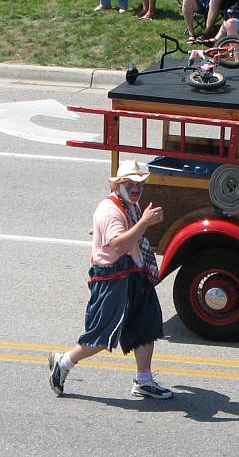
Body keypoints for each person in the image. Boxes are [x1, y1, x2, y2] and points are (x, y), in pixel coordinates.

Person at [48, 160, 172, 399]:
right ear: (118, 185)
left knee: (147, 325)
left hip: (134, 272)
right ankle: (63, 363)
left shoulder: (129, 204)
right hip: (113, 278)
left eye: (139, 184)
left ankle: (144, 380)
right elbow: (119, 245)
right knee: (103, 335)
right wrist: (144, 222)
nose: (136, 189)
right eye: (130, 184)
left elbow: (117, 233)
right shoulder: (110, 210)